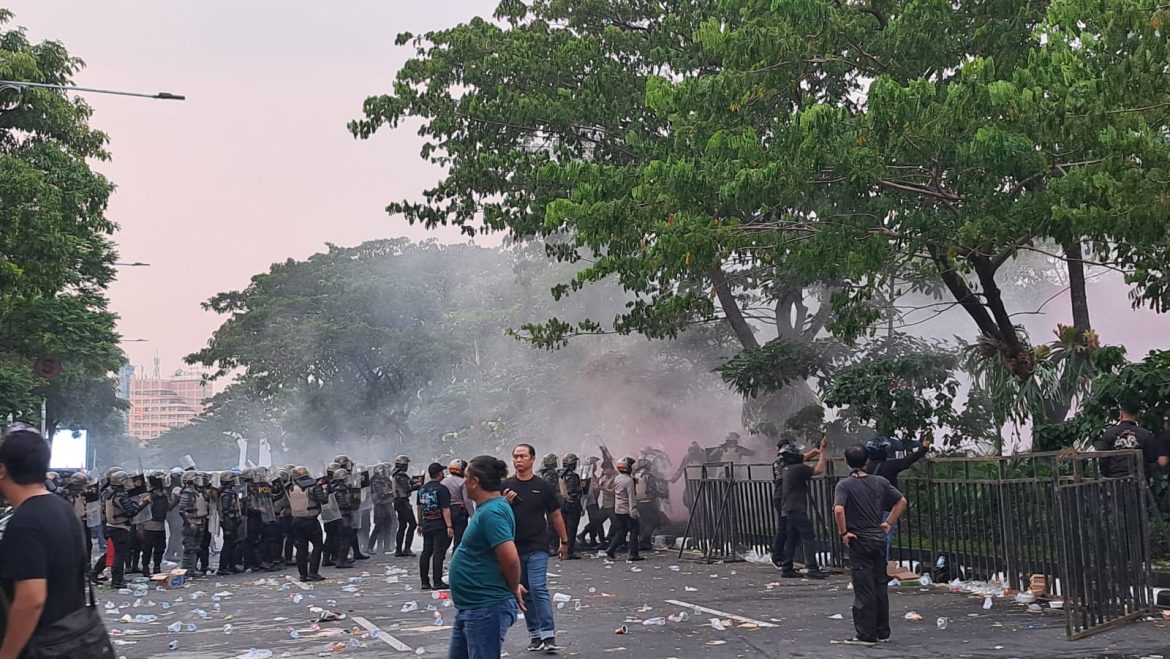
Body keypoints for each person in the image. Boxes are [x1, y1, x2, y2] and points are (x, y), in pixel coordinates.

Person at [0, 425, 100, 659]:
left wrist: (7, 654)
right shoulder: (61, 508)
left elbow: (31, 599)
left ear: (2, 471)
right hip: (73, 640)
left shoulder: (25, 522)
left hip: (43, 646)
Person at [447, 455, 525, 659]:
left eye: (466, 477)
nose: (463, 483)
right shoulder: (488, 509)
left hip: (485, 607)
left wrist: (514, 585)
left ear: (474, 481)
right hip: (472, 606)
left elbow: (510, 558)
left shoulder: (492, 513)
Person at [834, 445, 908, 646]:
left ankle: (866, 634)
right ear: (867, 462)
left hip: (860, 540)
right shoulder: (880, 482)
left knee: (864, 588)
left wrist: (844, 533)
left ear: (846, 461)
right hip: (878, 539)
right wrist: (888, 523)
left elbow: (839, 510)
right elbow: (901, 501)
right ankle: (882, 631)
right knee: (880, 586)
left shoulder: (844, 485)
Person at [503, 444, 569, 653]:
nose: (518, 460)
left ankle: (548, 635)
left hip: (538, 545)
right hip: (513, 548)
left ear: (532, 459)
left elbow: (555, 514)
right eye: (515, 456)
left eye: (522, 456)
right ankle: (535, 634)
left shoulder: (542, 486)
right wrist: (505, 502)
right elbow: (493, 513)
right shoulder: (505, 486)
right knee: (524, 592)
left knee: (539, 588)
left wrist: (564, 541)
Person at [864, 434, 931, 558]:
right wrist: (924, 448)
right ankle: (881, 569)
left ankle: (872, 568)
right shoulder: (890, 466)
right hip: (887, 510)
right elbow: (907, 460)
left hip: (869, 510)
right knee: (885, 539)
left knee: (870, 540)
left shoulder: (868, 468)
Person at [778, 437, 829, 578]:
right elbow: (819, 469)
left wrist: (816, 451)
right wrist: (823, 451)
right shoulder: (798, 469)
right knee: (808, 537)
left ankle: (787, 568)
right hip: (796, 508)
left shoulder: (786, 468)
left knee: (792, 538)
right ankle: (812, 568)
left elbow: (803, 457)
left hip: (788, 507)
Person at [104, 469, 149, 588]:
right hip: (120, 527)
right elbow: (131, 512)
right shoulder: (120, 495)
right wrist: (143, 503)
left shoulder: (109, 492)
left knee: (119, 554)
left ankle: (118, 579)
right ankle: (117, 581)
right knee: (120, 555)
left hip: (111, 526)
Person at [1094, 401, 1162, 478]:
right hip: (1139, 479)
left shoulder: (1109, 433)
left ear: (1121, 414)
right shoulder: (1145, 434)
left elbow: (1103, 459)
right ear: (1137, 415)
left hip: (1115, 480)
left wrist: (1107, 474)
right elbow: (1152, 459)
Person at [416, 462, 453, 590]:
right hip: (439, 524)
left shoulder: (422, 489)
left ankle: (424, 582)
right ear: (439, 474)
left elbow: (419, 507)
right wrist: (449, 526)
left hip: (426, 523)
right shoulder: (442, 489)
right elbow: (445, 509)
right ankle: (437, 582)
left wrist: (419, 523)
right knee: (438, 552)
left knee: (426, 551)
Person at [288, 465, 328, 582]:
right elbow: (323, 500)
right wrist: (324, 489)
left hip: (296, 520)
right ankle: (313, 573)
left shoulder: (291, 487)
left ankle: (303, 575)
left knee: (301, 549)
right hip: (310, 519)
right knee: (318, 545)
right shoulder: (313, 487)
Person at [604, 457, 642, 562]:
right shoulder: (629, 481)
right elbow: (631, 497)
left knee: (621, 531)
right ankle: (633, 554)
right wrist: (633, 511)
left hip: (618, 509)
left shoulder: (617, 478)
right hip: (627, 510)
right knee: (634, 531)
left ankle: (611, 549)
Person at [177, 470, 210, 575]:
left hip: (200, 521)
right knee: (189, 548)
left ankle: (193, 568)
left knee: (196, 547)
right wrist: (189, 523)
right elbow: (182, 510)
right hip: (192, 522)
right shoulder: (187, 492)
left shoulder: (197, 491)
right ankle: (187, 569)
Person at [139, 470, 172, 577]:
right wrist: (140, 528)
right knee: (147, 549)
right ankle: (145, 568)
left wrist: (176, 500)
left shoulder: (164, 493)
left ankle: (157, 567)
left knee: (160, 548)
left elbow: (168, 508)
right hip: (149, 525)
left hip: (160, 525)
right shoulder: (149, 495)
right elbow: (142, 514)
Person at [633, 458, 667, 551]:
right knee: (653, 521)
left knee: (643, 523)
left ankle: (645, 543)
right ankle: (643, 540)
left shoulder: (635, 475)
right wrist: (663, 494)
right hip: (648, 502)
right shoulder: (649, 476)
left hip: (638, 502)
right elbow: (653, 490)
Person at [392, 455, 419, 557]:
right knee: (412, 524)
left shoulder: (397, 474)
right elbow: (407, 488)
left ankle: (399, 550)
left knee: (402, 526)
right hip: (402, 501)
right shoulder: (401, 476)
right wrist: (417, 486)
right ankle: (407, 548)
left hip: (398, 502)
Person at [330, 468, 356, 569]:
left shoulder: (337, 488)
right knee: (345, 540)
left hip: (340, 516)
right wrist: (353, 501)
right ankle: (341, 560)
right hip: (343, 516)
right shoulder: (340, 490)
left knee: (343, 539)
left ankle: (341, 559)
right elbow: (344, 504)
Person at [558, 454, 583, 559]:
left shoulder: (560, 474)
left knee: (565, 528)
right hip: (571, 504)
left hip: (563, 503)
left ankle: (563, 551)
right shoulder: (572, 476)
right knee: (572, 529)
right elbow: (572, 492)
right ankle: (569, 552)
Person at [218, 471, 244, 574]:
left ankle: (231, 565)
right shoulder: (226, 494)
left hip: (233, 520)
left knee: (233, 544)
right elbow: (226, 511)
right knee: (228, 545)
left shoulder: (230, 492)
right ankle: (223, 567)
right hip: (229, 521)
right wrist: (228, 526)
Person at [368, 463, 397, 555]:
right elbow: (382, 494)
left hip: (387, 505)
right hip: (380, 506)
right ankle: (370, 547)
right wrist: (393, 493)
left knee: (388, 526)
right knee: (378, 527)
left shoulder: (385, 480)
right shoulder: (376, 482)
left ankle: (387, 546)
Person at [442, 459, 470, 550]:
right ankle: (456, 559)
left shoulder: (443, 481)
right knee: (459, 539)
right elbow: (467, 500)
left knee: (445, 539)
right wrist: (473, 514)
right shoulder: (463, 482)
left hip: (445, 511)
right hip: (459, 511)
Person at [577, 457, 604, 549]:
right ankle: (583, 534)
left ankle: (593, 539)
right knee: (596, 520)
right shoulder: (586, 475)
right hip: (589, 501)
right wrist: (583, 506)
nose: (595, 466)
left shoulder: (592, 475)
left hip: (593, 500)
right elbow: (585, 492)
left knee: (594, 520)